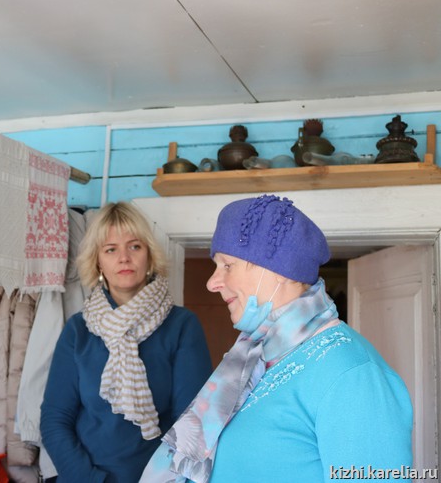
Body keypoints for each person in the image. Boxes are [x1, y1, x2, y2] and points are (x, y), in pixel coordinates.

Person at [140, 194, 413, 483]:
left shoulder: (352, 374)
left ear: (280, 269)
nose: (212, 283)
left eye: (227, 265)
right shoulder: (254, 356)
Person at [40, 201, 213, 482]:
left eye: (134, 246)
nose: (124, 258)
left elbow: (191, 424)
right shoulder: (78, 330)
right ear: (98, 261)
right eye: (111, 249)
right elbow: (54, 420)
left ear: (150, 256)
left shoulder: (182, 326)